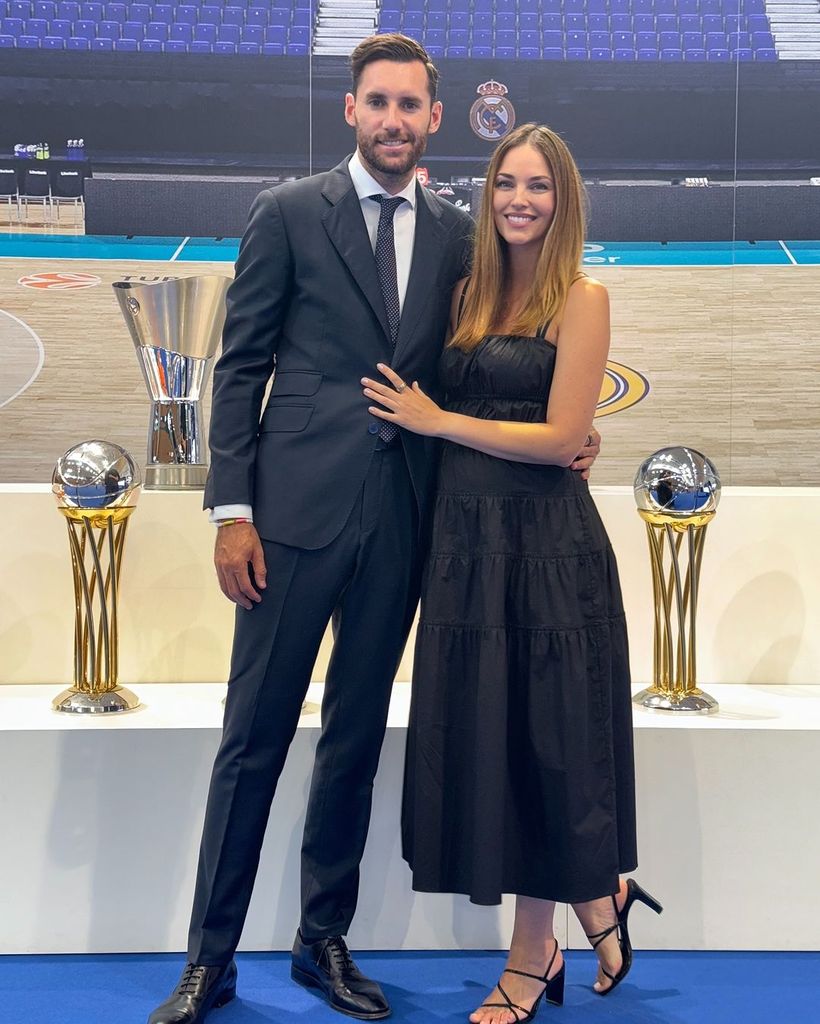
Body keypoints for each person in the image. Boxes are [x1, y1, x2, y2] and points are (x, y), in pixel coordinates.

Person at [147, 37, 599, 1024]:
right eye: (378, 103)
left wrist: (573, 431)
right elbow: (240, 371)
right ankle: (208, 959)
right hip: (291, 522)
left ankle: (322, 941)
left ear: (434, 120)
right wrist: (233, 512)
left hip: (404, 525)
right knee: (252, 741)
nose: (394, 120)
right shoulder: (285, 213)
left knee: (352, 739)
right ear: (351, 111)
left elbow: (486, 364)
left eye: (411, 106)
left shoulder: (456, 236)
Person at [362, 123, 661, 1024]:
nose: (519, 202)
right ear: (487, 195)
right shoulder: (466, 290)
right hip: (466, 550)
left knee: (548, 747)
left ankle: (535, 954)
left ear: (564, 202)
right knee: (498, 746)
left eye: (538, 188)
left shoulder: (583, 295)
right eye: (505, 186)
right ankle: (595, 902)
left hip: (548, 553)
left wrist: (436, 420)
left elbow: (566, 438)